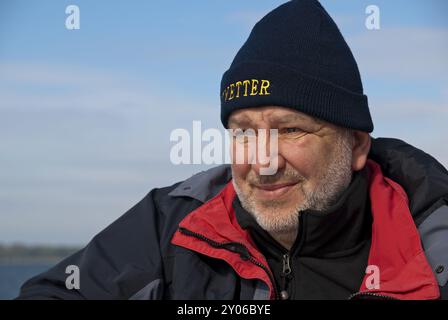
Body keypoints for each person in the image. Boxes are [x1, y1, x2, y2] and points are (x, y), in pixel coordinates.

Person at [18, 0, 448, 300]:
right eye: (243, 132)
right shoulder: (176, 221)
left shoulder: (433, 240)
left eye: (289, 129)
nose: (262, 161)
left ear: (355, 145)